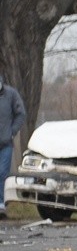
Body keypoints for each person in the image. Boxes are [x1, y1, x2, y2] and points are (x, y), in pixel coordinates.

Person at [0, 74, 26, 219]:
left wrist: (12, 131)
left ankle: (1, 203)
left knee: (2, 173)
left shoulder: (10, 94)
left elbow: (21, 114)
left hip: (5, 142)